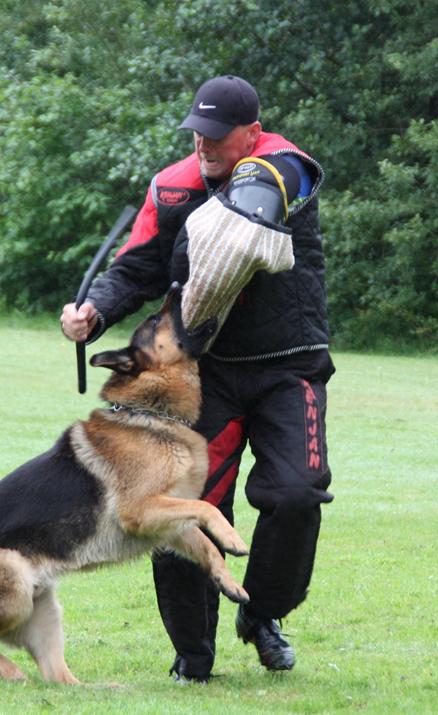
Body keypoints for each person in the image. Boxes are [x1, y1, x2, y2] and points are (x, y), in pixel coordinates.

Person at [60, 75, 333, 683]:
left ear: (252, 134)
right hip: (203, 376)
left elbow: (275, 187)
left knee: (295, 495)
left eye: (217, 136)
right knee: (185, 510)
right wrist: (94, 311)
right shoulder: (174, 187)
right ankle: (193, 654)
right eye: (197, 134)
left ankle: (262, 613)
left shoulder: (284, 170)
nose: (203, 145)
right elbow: (138, 267)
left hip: (291, 365)